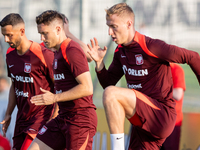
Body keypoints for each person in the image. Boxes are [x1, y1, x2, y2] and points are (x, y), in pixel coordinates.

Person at [87, 3, 200, 150]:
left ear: (129, 24)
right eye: (108, 26)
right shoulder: (121, 52)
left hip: (161, 115)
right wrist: (100, 63)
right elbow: (108, 84)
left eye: (114, 26)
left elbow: (193, 56)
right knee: (110, 93)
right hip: (141, 123)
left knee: (111, 94)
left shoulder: (151, 46)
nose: (109, 32)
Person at [28, 10, 97, 150]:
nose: (42, 38)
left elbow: (87, 87)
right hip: (62, 118)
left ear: (58, 29)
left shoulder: (72, 50)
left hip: (80, 121)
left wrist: (54, 98)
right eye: (40, 34)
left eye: (45, 33)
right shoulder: (57, 51)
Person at [0, 13, 55, 150]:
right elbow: (15, 84)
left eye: (9, 35)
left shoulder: (43, 54)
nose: (6, 39)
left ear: (22, 31)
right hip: (21, 119)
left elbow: (60, 85)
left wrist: (55, 117)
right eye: (4, 35)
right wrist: (8, 113)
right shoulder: (10, 55)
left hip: (40, 118)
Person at [161, 63, 186, 150]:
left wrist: (159, 90)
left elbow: (178, 94)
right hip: (155, 121)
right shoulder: (153, 68)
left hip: (172, 122)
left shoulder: (176, 69)